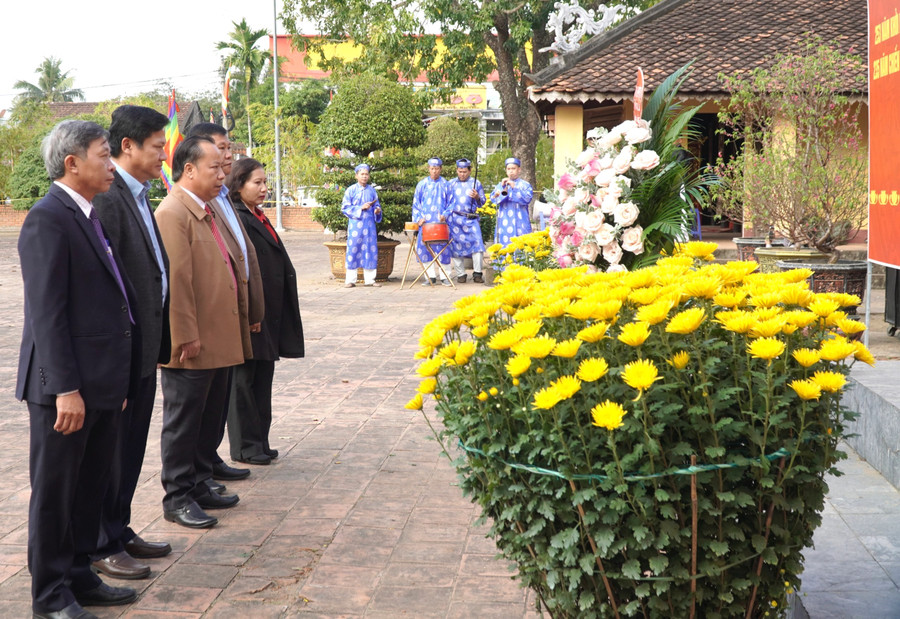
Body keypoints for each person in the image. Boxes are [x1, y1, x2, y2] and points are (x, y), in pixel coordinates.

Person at [17, 120, 140, 617]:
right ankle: (49, 595)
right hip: (65, 388)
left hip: (102, 382)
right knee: (56, 493)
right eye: (103, 154)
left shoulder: (88, 215)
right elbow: (46, 314)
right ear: (73, 163)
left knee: (92, 485)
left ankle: (80, 573)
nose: (111, 164)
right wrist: (65, 387)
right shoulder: (48, 219)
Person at [90, 106, 173, 581]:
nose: (164, 155)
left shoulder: (138, 195)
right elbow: (107, 284)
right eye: (158, 147)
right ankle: (102, 541)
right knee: (111, 452)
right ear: (128, 147)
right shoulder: (108, 198)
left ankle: (118, 528)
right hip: (121, 352)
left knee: (131, 448)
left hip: (145, 347)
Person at [154, 136, 245, 529]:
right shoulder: (173, 212)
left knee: (209, 417)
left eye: (224, 168)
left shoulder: (204, 210)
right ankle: (177, 495)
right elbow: (177, 280)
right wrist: (184, 335)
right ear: (188, 170)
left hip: (216, 336)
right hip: (192, 342)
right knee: (184, 420)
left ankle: (200, 480)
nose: (223, 174)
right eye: (214, 168)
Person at [185, 123, 264, 474]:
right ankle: (190, 481)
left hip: (234, 313)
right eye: (219, 150)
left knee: (218, 400)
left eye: (228, 150)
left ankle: (209, 462)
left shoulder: (222, 201)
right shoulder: (183, 209)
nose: (226, 156)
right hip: (204, 325)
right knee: (193, 411)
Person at [226, 158, 305, 463]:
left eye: (264, 182)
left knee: (263, 376)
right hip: (251, 313)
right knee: (244, 380)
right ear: (238, 184)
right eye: (256, 183)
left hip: (268, 311)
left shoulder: (257, 215)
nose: (263, 189)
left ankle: (260, 440)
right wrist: (249, 312)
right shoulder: (236, 218)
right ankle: (245, 446)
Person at [443, 158, 486, 283]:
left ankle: (477, 273)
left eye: (464, 172)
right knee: (456, 246)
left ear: (470, 171)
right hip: (455, 219)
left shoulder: (476, 183)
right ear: (457, 170)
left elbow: (482, 202)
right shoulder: (451, 184)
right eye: (460, 171)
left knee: (478, 245)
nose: (462, 174)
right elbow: (446, 202)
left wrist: (477, 196)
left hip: (471, 218)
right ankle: (460, 273)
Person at [341, 163, 383, 287]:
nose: (364, 176)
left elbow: (377, 205)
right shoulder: (351, 190)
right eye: (362, 174)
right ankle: (350, 280)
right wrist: (360, 208)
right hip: (355, 226)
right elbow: (345, 207)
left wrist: (377, 210)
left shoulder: (372, 190)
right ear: (356, 176)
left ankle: (370, 280)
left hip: (369, 226)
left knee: (370, 250)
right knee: (353, 249)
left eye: (366, 174)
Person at [413, 157, 451, 286]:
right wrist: (418, 218)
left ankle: (445, 276)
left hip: (441, 223)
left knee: (443, 250)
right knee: (425, 249)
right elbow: (416, 204)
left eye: (437, 169)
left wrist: (445, 215)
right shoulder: (422, 184)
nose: (434, 171)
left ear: (440, 169)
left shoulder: (446, 184)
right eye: (432, 168)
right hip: (426, 224)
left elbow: (452, 203)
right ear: (429, 169)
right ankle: (430, 277)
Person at [491, 157, 534, 247]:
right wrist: (501, 187)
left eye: (513, 169)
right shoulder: (501, 184)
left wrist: (515, 188)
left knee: (522, 247)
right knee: (504, 247)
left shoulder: (525, 185)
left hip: (520, 220)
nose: (511, 171)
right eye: (508, 169)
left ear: (519, 170)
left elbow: (527, 199)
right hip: (504, 221)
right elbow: (493, 199)